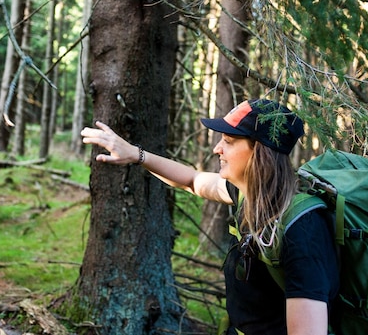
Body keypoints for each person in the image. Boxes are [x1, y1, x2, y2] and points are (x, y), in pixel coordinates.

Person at [81, 98, 339, 335]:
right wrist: (136, 155)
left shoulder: (302, 230)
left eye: (228, 141)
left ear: (259, 151)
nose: (217, 148)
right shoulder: (246, 195)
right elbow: (192, 181)